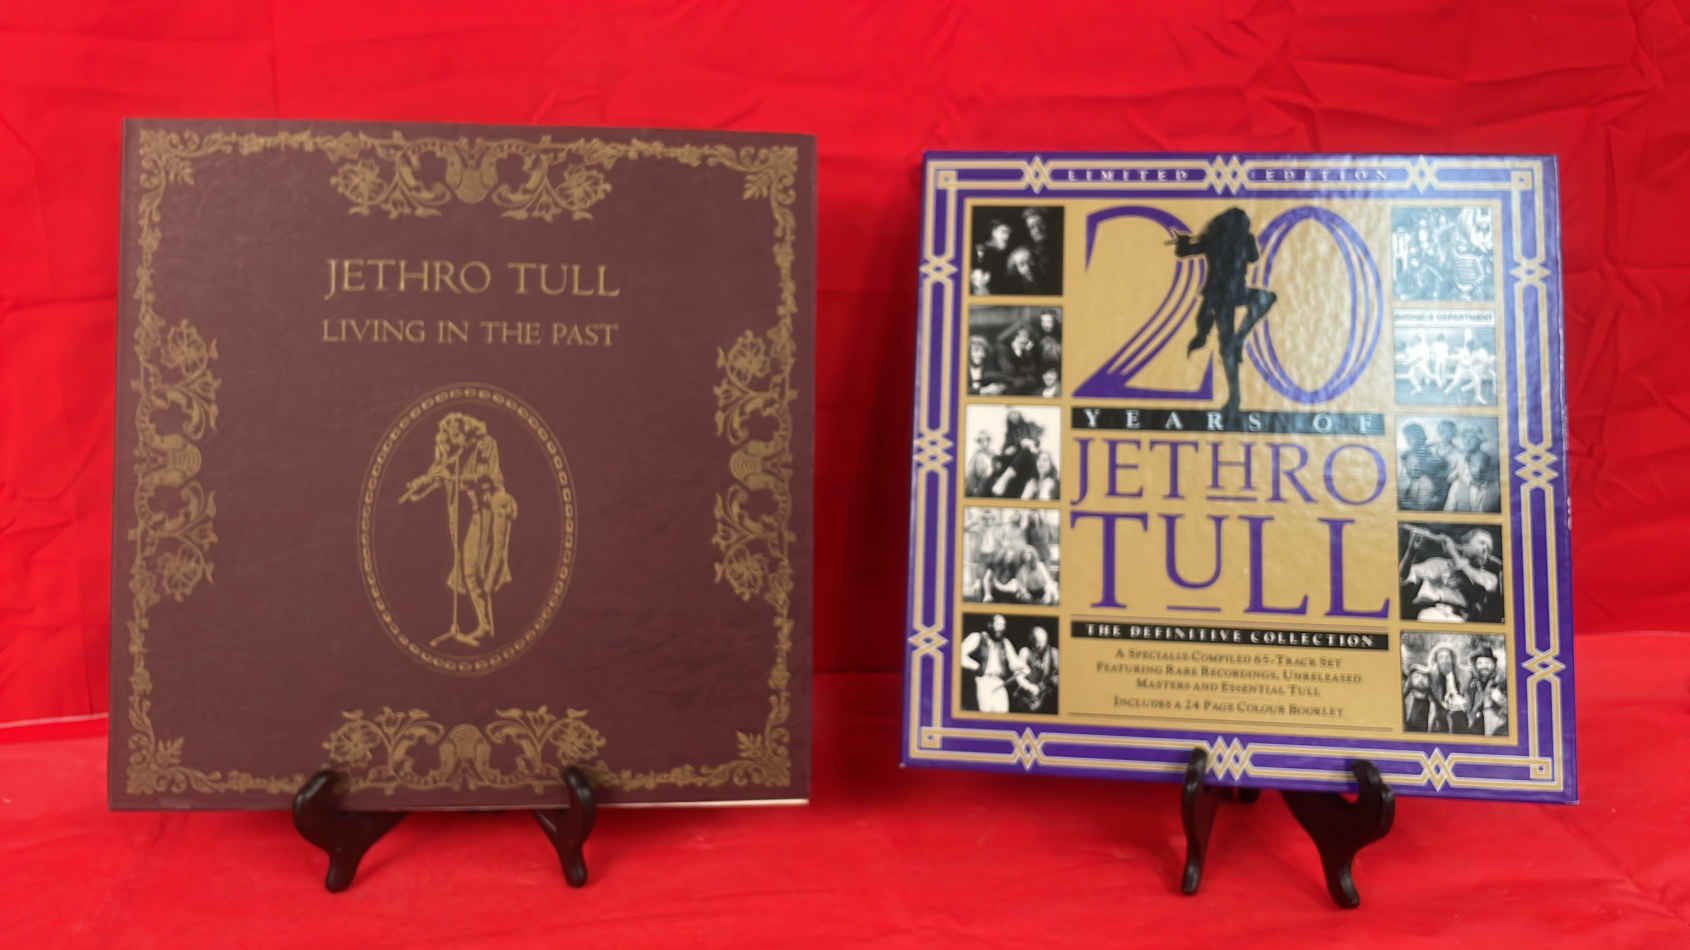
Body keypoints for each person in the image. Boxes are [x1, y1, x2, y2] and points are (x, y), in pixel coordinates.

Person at [1174, 207, 1277, 417]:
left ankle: (1238, 344)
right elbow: (1253, 257)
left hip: (1222, 295)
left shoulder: (1214, 239)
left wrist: (1184, 242)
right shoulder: (1237, 239)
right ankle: (1234, 395)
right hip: (1225, 295)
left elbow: (1184, 252)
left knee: (1229, 343)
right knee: (1264, 300)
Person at [1401, 526, 1501, 622]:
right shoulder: (1439, 563)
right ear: (1465, 545)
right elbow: (1402, 577)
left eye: (1489, 549)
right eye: (1482, 543)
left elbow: (1478, 585)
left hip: (1459, 620)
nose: (1485, 549)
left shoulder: (1489, 578)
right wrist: (1411, 552)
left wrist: (1453, 553)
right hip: (1431, 614)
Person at [959, 615, 1025, 713]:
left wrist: (1023, 667)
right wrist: (976, 666)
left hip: (1000, 682)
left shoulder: (1005, 642)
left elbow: (1014, 662)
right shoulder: (977, 637)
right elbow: (958, 655)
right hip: (983, 681)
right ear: (990, 625)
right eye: (998, 624)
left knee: (1002, 715)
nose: (1001, 628)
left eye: (1003, 625)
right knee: (985, 714)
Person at [1444, 425, 1500, 513]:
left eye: (1472, 438)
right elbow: (1452, 476)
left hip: (1480, 491)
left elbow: (1479, 477)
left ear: (1479, 440)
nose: (1467, 441)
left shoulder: (1484, 458)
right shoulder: (1461, 457)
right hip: (1462, 489)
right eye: (1465, 437)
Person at [1397, 422, 1450, 510]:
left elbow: (1441, 485)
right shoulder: (1405, 455)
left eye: (1410, 438)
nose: (1407, 441)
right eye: (1406, 438)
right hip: (1411, 496)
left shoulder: (1434, 455)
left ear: (1420, 437)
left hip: (1429, 501)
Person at [1013, 626, 1059, 714]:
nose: (1038, 645)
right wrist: (1030, 688)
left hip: (1047, 698)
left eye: (1041, 642)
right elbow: (1018, 676)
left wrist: (1050, 683)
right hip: (1027, 696)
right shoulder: (1025, 652)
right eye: (1035, 642)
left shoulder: (1054, 653)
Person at [1464, 644, 1508, 735]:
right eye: (1480, 663)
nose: (1483, 666)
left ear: (1494, 664)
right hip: (1475, 728)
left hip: (1497, 729)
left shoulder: (1503, 682)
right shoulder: (1472, 684)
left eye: (1487, 663)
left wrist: (1501, 700)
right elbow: (1468, 706)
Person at [1427, 645, 1468, 732]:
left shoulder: (1465, 675)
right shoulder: (1432, 678)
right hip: (1441, 721)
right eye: (1441, 657)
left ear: (1452, 659)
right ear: (1436, 661)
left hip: (1462, 717)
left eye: (1447, 657)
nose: (1444, 661)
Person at [965, 429, 997, 497]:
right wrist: (974, 488)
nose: (984, 443)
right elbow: (970, 473)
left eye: (986, 440)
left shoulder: (994, 454)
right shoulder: (976, 455)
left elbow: (997, 468)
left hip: (992, 483)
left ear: (989, 441)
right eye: (980, 441)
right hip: (979, 485)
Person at [1402, 665, 1434, 732]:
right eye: (1417, 676)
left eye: (1424, 676)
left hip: (1425, 706)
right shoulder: (1411, 680)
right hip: (1414, 705)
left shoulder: (1429, 681)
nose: (1421, 679)